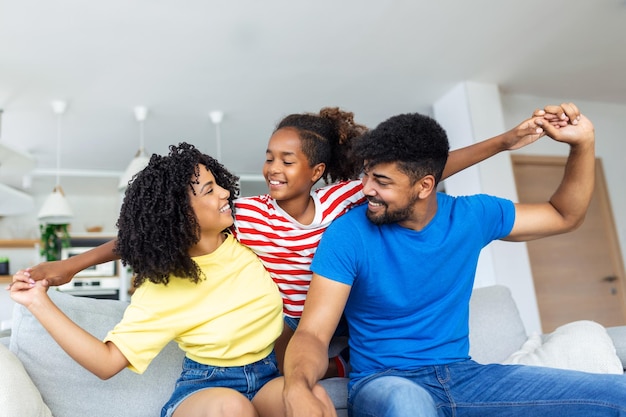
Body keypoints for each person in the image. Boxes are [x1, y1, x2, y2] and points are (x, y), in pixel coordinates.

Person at [20, 106, 551, 377]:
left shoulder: (346, 200)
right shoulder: (245, 214)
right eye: (269, 158)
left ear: (317, 171)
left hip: (338, 316)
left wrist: (507, 141)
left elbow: (424, 169)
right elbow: (160, 228)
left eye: (287, 161)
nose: (271, 168)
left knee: (352, 310)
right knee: (287, 336)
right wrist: (73, 264)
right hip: (287, 326)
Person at [278, 103, 626, 417]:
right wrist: (297, 387)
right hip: (384, 382)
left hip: (465, 377)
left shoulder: (472, 216)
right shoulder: (348, 235)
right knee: (409, 404)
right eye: (366, 175)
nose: (366, 189)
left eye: (381, 181)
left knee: (616, 395)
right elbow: (312, 334)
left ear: (425, 186)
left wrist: (583, 144)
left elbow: (564, 215)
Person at [8, 143, 284, 417]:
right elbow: (106, 362)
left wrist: (72, 264)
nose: (226, 192)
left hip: (268, 374)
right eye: (209, 190)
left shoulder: (245, 229)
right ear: (183, 216)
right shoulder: (162, 289)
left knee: (309, 396)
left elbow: (134, 239)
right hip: (207, 389)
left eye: (217, 184)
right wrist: (37, 302)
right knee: (233, 409)